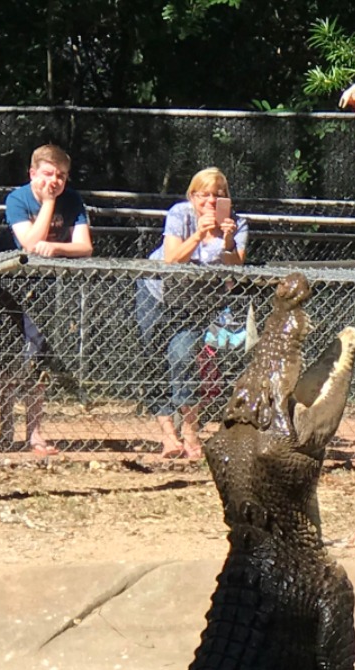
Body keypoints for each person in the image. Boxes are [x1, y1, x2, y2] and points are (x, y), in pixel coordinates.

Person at [138, 167, 246, 459]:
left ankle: (190, 430)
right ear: (193, 196)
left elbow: (235, 266)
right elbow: (172, 259)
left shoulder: (236, 223)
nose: (210, 201)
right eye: (204, 195)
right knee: (154, 361)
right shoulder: (180, 214)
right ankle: (168, 436)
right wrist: (199, 234)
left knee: (183, 356)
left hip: (196, 304)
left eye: (218, 195)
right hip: (157, 294)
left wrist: (227, 240)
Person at [1, 143, 93, 455]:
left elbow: (84, 247)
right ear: (32, 173)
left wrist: (57, 248)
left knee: (38, 358)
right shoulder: (17, 199)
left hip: (48, 289)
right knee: (8, 359)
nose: (54, 181)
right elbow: (29, 243)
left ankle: (35, 432)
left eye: (61, 176)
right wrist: (50, 202)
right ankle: (5, 430)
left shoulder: (73, 199)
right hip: (10, 286)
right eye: (48, 174)